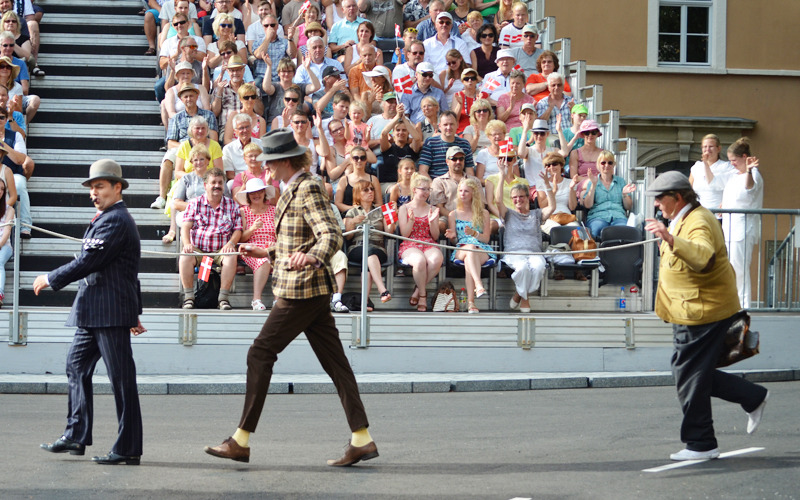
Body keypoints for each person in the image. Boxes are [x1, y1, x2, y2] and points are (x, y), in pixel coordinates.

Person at [204, 129, 378, 466]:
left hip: (301, 290)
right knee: (337, 365)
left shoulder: (309, 186)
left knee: (260, 352)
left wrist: (314, 256)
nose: (265, 168)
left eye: (269, 162)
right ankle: (362, 438)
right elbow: (293, 240)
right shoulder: (289, 190)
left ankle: (240, 440)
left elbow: (331, 233)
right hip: (309, 290)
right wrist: (266, 250)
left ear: (284, 161)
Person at [644, 170, 769, 462]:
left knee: (688, 374)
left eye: (660, 198)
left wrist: (671, 238)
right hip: (693, 310)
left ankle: (701, 443)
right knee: (688, 372)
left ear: (677, 197)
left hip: (701, 312)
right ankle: (751, 397)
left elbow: (701, 255)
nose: (656, 204)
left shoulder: (698, 220)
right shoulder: (684, 218)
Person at [36, 160, 145, 466]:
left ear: (117, 187)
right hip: (96, 311)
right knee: (76, 365)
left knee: (122, 380)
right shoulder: (107, 218)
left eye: (99, 186)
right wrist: (135, 310)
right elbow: (127, 271)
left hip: (109, 311)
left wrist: (51, 278)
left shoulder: (116, 220)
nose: (93, 193)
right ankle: (75, 434)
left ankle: (128, 448)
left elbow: (88, 262)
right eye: (92, 188)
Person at [491, 158, 555, 312]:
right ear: (512, 201)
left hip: (534, 252)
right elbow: (498, 200)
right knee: (523, 269)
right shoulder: (508, 214)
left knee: (539, 268)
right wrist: (501, 175)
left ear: (527, 198)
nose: (518, 199)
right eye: (515, 197)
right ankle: (525, 299)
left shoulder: (537, 214)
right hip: (514, 253)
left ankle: (518, 294)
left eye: (521, 196)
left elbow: (552, 206)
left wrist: (547, 185)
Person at [179, 167, 242, 310]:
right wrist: (187, 244)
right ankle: (189, 298)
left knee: (231, 255)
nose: (217, 186)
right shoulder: (195, 203)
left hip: (221, 251)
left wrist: (231, 243)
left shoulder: (231, 205)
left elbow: (238, 230)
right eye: (213, 182)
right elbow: (185, 227)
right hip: (199, 251)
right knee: (185, 255)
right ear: (205, 185)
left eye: (220, 183)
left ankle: (223, 299)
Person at [721, 137, 763, 309]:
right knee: (731, 268)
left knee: (740, 269)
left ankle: (744, 306)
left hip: (743, 229)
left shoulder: (753, 175)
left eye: (734, 160)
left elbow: (749, 189)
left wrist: (749, 170)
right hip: (729, 228)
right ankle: (734, 303)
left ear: (745, 157)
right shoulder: (733, 176)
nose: (731, 164)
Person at [444, 177, 495, 314]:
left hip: (480, 248)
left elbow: (486, 239)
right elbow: (455, 241)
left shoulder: (483, 213)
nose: (462, 194)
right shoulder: (453, 214)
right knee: (469, 250)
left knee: (470, 257)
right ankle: (478, 285)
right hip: (461, 247)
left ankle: (471, 303)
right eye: (460, 191)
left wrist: (474, 234)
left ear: (473, 193)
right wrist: (452, 236)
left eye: (466, 191)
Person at [397, 172, 442, 312]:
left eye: (428, 189)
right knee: (419, 261)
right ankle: (422, 295)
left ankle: (417, 289)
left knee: (436, 260)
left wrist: (433, 222)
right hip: (410, 243)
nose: (426, 192)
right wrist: (411, 220)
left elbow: (435, 236)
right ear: (414, 189)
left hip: (428, 242)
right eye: (423, 189)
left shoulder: (433, 209)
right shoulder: (404, 208)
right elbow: (404, 234)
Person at [344, 180, 393, 304]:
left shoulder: (381, 210)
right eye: (366, 190)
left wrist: (391, 215)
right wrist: (352, 222)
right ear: (358, 194)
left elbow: (390, 232)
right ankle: (382, 290)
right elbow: (348, 238)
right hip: (357, 248)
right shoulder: (352, 212)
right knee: (368, 252)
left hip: (378, 247)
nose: (370, 192)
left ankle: (364, 302)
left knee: (369, 256)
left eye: (372, 189)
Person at [238, 178, 277, 311]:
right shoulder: (244, 211)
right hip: (250, 247)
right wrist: (252, 228)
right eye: (252, 193)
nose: (256, 195)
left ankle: (278, 300)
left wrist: (274, 241)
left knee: (280, 258)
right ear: (248, 195)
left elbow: (281, 233)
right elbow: (241, 238)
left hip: (271, 246)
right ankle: (256, 299)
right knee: (264, 259)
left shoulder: (274, 210)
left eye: (259, 191)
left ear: (264, 193)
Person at [581, 150, 635, 240]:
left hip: (618, 217)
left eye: (610, 163)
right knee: (595, 230)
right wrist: (593, 185)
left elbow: (628, 207)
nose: (606, 165)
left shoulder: (621, 181)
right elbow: (587, 205)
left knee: (625, 231)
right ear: (598, 165)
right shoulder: (592, 182)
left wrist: (624, 194)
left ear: (613, 165)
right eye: (603, 163)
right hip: (597, 217)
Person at [688, 133, 736, 214]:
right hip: (699, 213)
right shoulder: (696, 167)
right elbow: (689, 190)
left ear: (718, 149)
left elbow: (734, 189)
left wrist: (726, 203)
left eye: (711, 146)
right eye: (704, 147)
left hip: (719, 214)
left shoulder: (727, 167)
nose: (707, 149)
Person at [418, 110, 474, 179]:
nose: (448, 127)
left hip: (459, 185)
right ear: (440, 126)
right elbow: (423, 171)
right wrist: (433, 187)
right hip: (436, 184)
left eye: (451, 124)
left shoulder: (464, 144)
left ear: (457, 125)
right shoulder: (430, 143)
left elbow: (470, 172)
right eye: (445, 125)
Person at [537, 152, 578, 236]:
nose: (551, 167)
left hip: (566, 217)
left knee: (576, 229)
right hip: (549, 218)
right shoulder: (541, 183)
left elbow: (572, 207)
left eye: (554, 164)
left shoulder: (569, 182)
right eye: (548, 165)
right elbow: (542, 205)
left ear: (561, 165)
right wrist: (554, 190)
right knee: (556, 230)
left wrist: (571, 189)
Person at [569, 118, 603, 200]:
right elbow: (574, 177)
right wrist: (592, 180)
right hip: (582, 185)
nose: (590, 135)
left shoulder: (603, 153)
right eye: (587, 132)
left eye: (593, 132)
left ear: (597, 134)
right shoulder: (575, 153)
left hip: (600, 185)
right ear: (583, 134)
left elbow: (607, 174)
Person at [451, 67, 488, 134]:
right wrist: (460, 104)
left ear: (476, 81)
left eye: (473, 78)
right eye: (466, 79)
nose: (470, 80)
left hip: (479, 130)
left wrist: (480, 104)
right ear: (462, 81)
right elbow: (454, 119)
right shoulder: (458, 95)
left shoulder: (482, 95)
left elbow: (491, 113)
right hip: (462, 130)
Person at [0, 176, 12, 308]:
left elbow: (7, 231)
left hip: (4, 245)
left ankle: (0, 294)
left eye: (2, 189)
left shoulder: (9, 209)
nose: (0, 191)